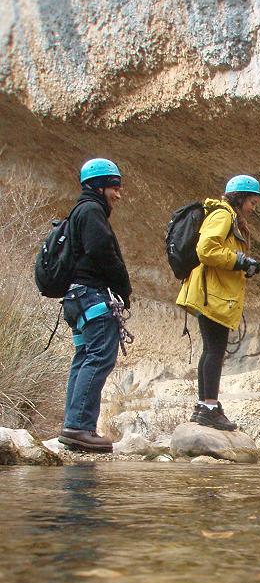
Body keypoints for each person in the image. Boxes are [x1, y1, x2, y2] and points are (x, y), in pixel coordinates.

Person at [176, 175, 260, 431]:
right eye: (252, 202)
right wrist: (240, 261)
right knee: (215, 349)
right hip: (212, 293)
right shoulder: (223, 214)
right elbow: (207, 250)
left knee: (210, 349)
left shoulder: (223, 214)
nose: (252, 208)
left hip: (211, 291)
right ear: (240, 197)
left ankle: (204, 405)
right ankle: (210, 407)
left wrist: (243, 263)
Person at [58, 158, 132, 454]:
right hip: (92, 297)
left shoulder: (81, 211)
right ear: (98, 187)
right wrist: (124, 288)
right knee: (99, 357)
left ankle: (74, 425)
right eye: (114, 187)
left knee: (84, 356)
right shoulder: (91, 211)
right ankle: (80, 427)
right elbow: (103, 252)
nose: (118, 194)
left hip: (75, 299)